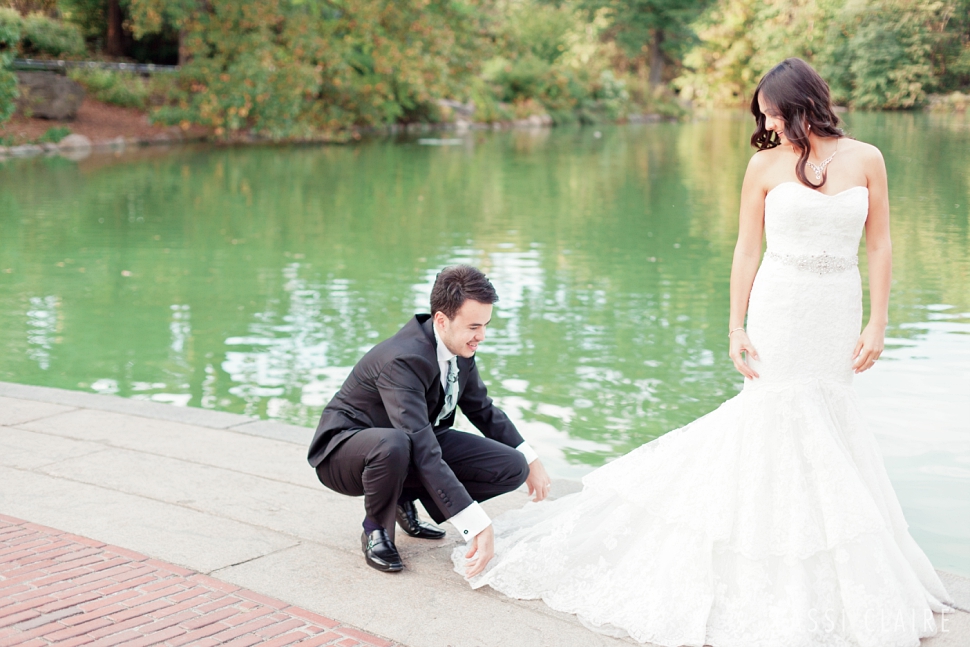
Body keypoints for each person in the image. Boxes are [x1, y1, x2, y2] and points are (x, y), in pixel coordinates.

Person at [452, 58, 955, 646]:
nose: (768, 123)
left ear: (804, 105)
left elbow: (881, 243)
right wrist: (735, 326)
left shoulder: (867, 158)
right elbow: (747, 249)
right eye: (763, 114)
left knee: (828, 419)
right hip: (780, 305)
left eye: (774, 112)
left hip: (836, 309)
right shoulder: (764, 164)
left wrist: (879, 319)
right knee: (774, 418)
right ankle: (762, 551)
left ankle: (832, 565)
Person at [308, 264, 552, 573]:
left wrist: (530, 459)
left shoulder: (458, 347)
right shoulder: (403, 359)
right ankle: (376, 528)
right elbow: (420, 444)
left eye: (486, 325)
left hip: (406, 443)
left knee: (511, 467)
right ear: (441, 319)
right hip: (345, 453)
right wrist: (475, 523)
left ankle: (399, 496)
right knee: (394, 442)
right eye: (474, 326)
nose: (482, 336)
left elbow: (482, 409)